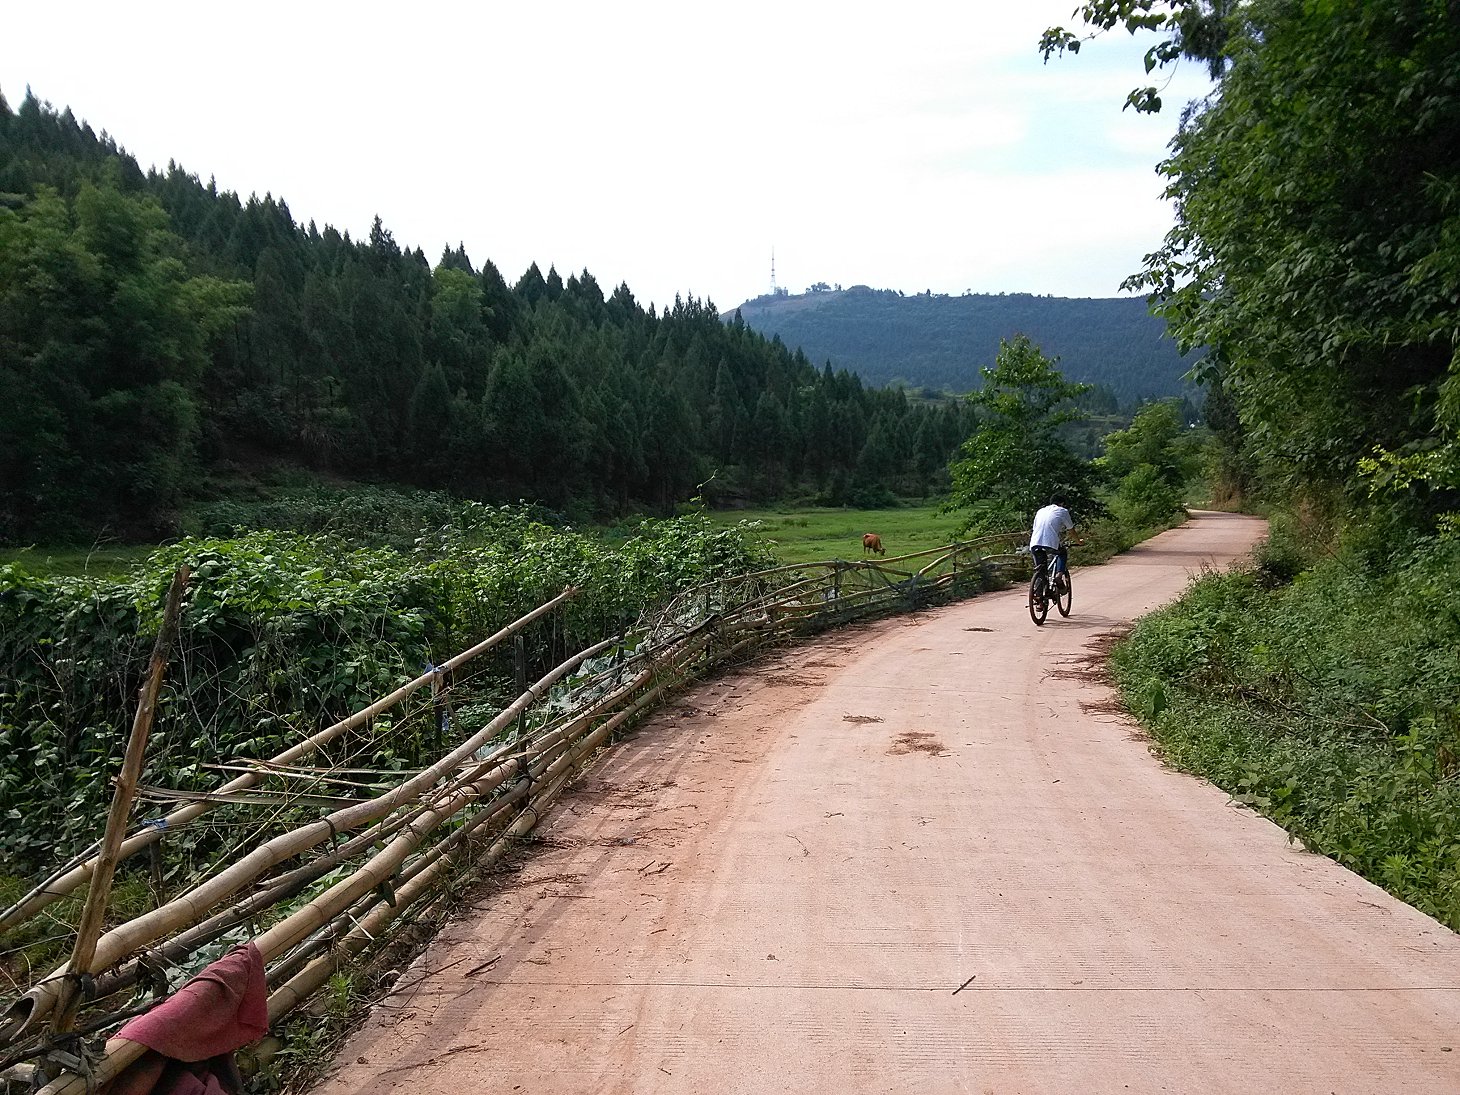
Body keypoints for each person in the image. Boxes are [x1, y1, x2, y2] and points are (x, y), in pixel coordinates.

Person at [1029, 497, 1075, 580]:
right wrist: (1078, 541)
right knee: (1062, 552)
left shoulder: (1040, 511)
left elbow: (1034, 528)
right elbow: (1071, 529)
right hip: (1050, 542)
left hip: (1034, 542)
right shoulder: (1063, 511)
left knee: (1041, 569)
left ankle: (1040, 583)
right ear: (1062, 503)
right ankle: (1059, 575)